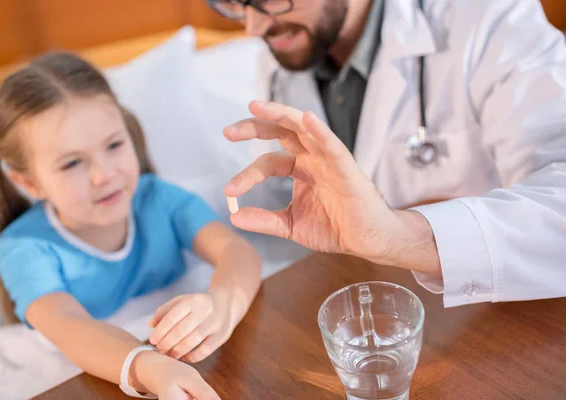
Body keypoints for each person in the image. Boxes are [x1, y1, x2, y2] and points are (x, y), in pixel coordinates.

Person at [210, 0, 566, 306]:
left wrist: (396, 236)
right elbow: (285, 203)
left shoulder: (489, 20)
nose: (252, 27)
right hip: (366, 308)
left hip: (500, 316)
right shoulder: (283, 58)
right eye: (235, 2)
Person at [0, 52, 262, 399]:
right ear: (28, 183)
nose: (105, 175)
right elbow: (69, 326)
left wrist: (223, 302)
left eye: (114, 145)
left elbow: (236, 251)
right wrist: (148, 366)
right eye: (72, 164)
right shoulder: (24, 247)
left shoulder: (160, 199)